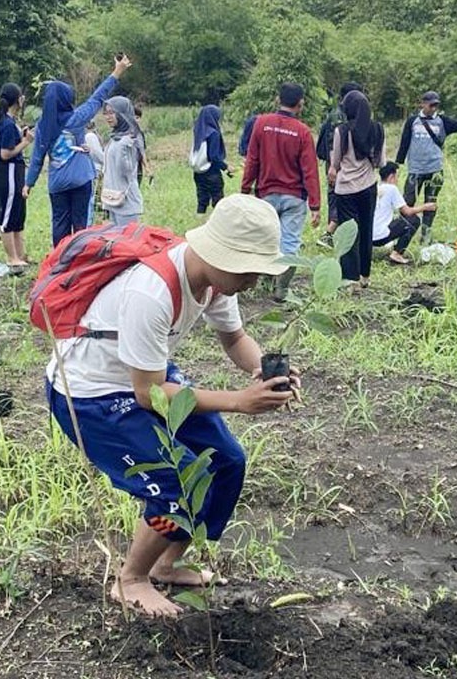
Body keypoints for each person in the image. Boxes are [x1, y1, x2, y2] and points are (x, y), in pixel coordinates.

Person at [42, 194, 297, 618]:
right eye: (250, 269)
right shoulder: (152, 292)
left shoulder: (214, 279)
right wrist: (240, 402)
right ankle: (131, 579)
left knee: (225, 461)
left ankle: (168, 562)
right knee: (174, 481)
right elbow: (149, 395)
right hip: (93, 394)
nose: (255, 280)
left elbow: (234, 339)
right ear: (220, 254)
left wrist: (264, 374)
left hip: (143, 376)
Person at [25, 55, 130, 246]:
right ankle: (80, 264)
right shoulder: (76, 118)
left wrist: (28, 184)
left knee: (59, 226)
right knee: (82, 228)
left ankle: (60, 264)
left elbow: (37, 158)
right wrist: (117, 72)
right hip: (81, 180)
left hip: (57, 184)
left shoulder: (42, 127)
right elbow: (98, 97)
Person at [241, 83, 322, 302]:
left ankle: (267, 280)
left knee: (268, 240)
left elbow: (252, 159)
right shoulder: (303, 131)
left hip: (266, 194)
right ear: (301, 103)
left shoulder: (262, 124)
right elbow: (310, 170)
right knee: (289, 244)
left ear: (278, 99)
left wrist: (245, 188)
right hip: (294, 197)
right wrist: (315, 205)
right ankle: (282, 290)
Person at [394, 91, 457, 245]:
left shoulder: (442, 122)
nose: (434, 108)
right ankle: (403, 234)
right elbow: (404, 143)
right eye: (431, 104)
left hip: (435, 171)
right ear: (423, 103)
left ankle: (425, 236)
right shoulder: (412, 121)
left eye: (436, 105)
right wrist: (397, 164)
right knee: (408, 203)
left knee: (431, 203)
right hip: (415, 170)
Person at [328, 90, 384, 285]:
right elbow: (381, 162)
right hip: (369, 186)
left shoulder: (341, 131)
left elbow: (335, 163)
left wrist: (334, 170)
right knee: (366, 230)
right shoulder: (377, 129)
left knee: (349, 233)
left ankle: (349, 280)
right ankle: (365, 277)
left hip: (346, 189)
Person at [315, 82, 364, 247]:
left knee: (336, 197)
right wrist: (334, 167)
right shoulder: (340, 115)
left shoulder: (343, 112)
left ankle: (335, 236)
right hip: (339, 163)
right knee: (340, 196)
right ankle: (330, 235)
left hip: (338, 162)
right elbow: (332, 142)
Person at [0, 82, 35, 273]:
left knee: (18, 215)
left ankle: (20, 255)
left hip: (15, 172)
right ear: (17, 99)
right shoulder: (7, 125)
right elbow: (5, 153)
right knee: (9, 216)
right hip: (8, 171)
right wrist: (25, 142)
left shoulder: (8, 122)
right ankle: (12, 258)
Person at [372, 163, 434, 264]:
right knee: (414, 220)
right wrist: (425, 207)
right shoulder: (392, 189)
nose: (397, 180)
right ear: (391, 176)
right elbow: (407, 212)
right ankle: (397, 253)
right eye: (396, 176)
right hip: (381, 237)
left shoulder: (375, 188)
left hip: (368, 237)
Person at [100, 96, 144, 226]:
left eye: (112, 113)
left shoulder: (129, 139)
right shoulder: (115, 138)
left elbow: (126, 170)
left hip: (126, 201)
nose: (108, 117)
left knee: (127, 242)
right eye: (105, 113)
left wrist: (124, 147)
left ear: (122, 114)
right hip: (112, 199)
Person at [191, 105, 228, 215]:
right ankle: (217, 225)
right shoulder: (213, 133)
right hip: (211, 172)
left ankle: (199, 220)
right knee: (218, 200)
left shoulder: (198, 131)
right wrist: (226, 167)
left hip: (198, 171)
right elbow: (214, 157)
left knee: (202, 199)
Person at [84, 120, 105, 226]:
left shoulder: (88, 136)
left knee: (91, 199)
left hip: (92, 169)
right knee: (90, 199)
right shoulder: (90, 136)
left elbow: (97, 154)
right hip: (93, 169)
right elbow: (99, 154)